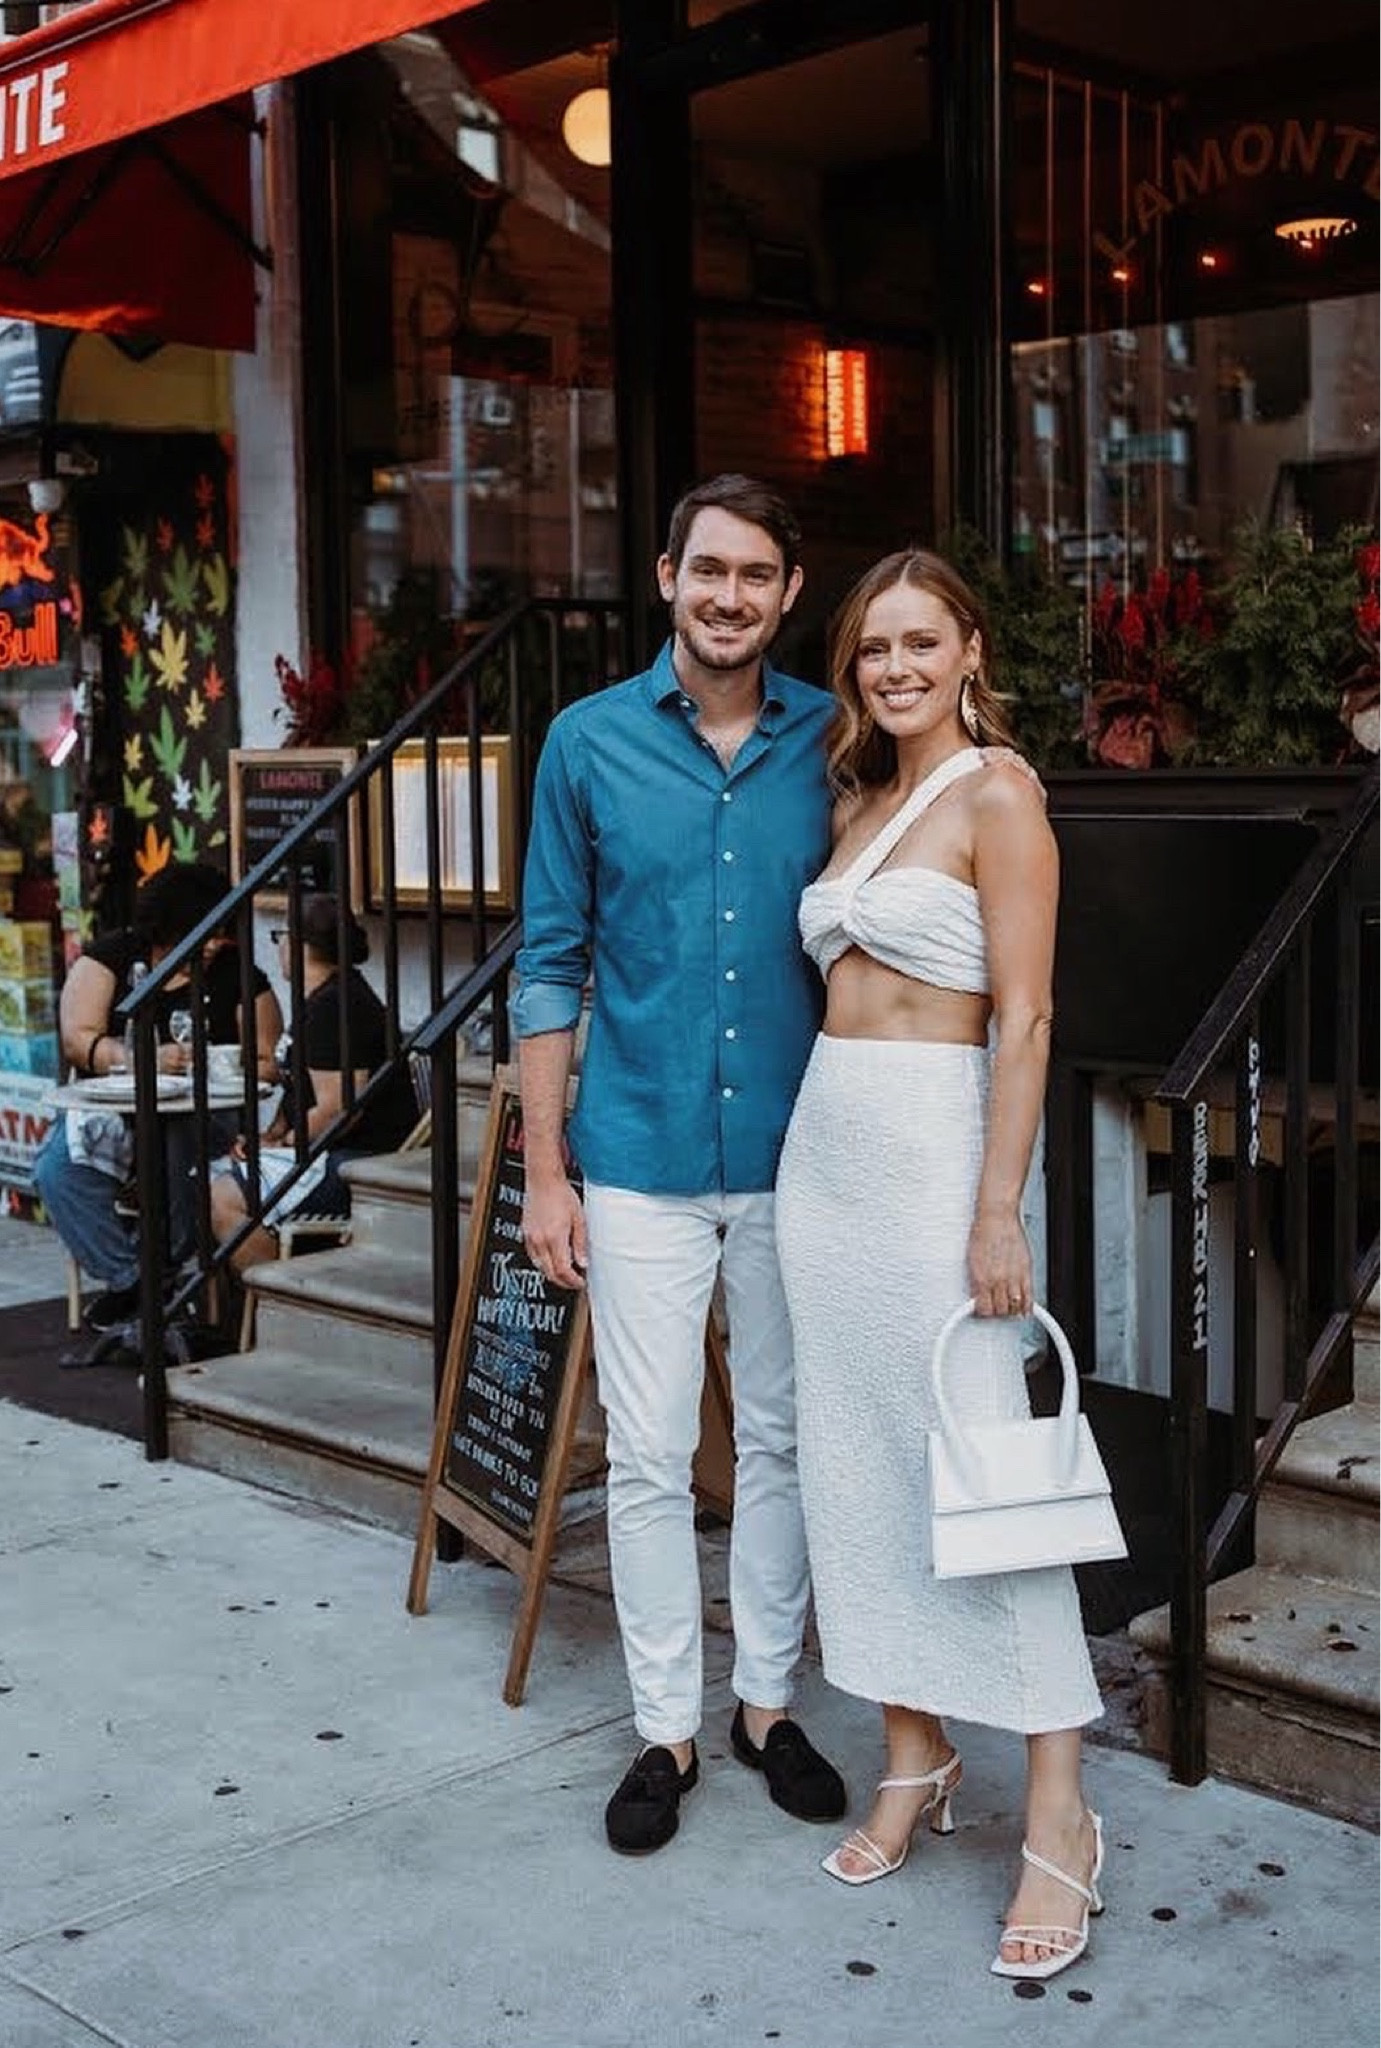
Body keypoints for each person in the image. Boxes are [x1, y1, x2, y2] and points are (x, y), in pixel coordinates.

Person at [775, 548, 1104, 1981]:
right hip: (823, 1160)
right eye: (870, 651)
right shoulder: (858, 801)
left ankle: (1059, 1808)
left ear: (969, 648)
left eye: (918, 644)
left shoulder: (1002, 800)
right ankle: (914, 1754)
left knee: (984, 1477)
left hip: (932, 1161)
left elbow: (1022, 1021)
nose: (893, 669)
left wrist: (997, 1206)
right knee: (857, 1463)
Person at [515, 474, 848, 1856]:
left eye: (755, 575)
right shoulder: (584, 746)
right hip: (639, 1154)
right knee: (649, 1457)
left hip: (796, 1154)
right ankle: (663, 1726)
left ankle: (765, 1707)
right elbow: (546, 962)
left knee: (778, 1441)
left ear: (788, 595)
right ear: (666, 575)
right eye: (707, 569)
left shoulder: (836, 742)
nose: (728, 596)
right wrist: (546, 1171)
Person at [33, 862, 281, 1330]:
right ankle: (135, 1281)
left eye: (220, 933)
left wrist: (233, 1063)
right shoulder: (114, 957)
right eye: (202, 932)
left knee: (179, 1152)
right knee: (57, 1170)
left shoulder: (236, 972)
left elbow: (268, 1058)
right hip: (114, 1109)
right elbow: (76, 1038)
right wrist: (138, 1058)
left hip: (203, 1111)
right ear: (169, 926)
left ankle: (166, 1275)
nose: (213, 944)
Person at [211, 895, 421, 1274]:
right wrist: (271, 1134)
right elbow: (298, 1091)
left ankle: (282, 1296)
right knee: (206, 1173)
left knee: (224, 1196)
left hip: (357, 1157)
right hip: (325, 1151)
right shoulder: (321, 1001)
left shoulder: (337, 1007)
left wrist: (286, 1142)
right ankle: (217, 1313)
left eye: (281, 937)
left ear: (298, 944)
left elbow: (338, 1109)